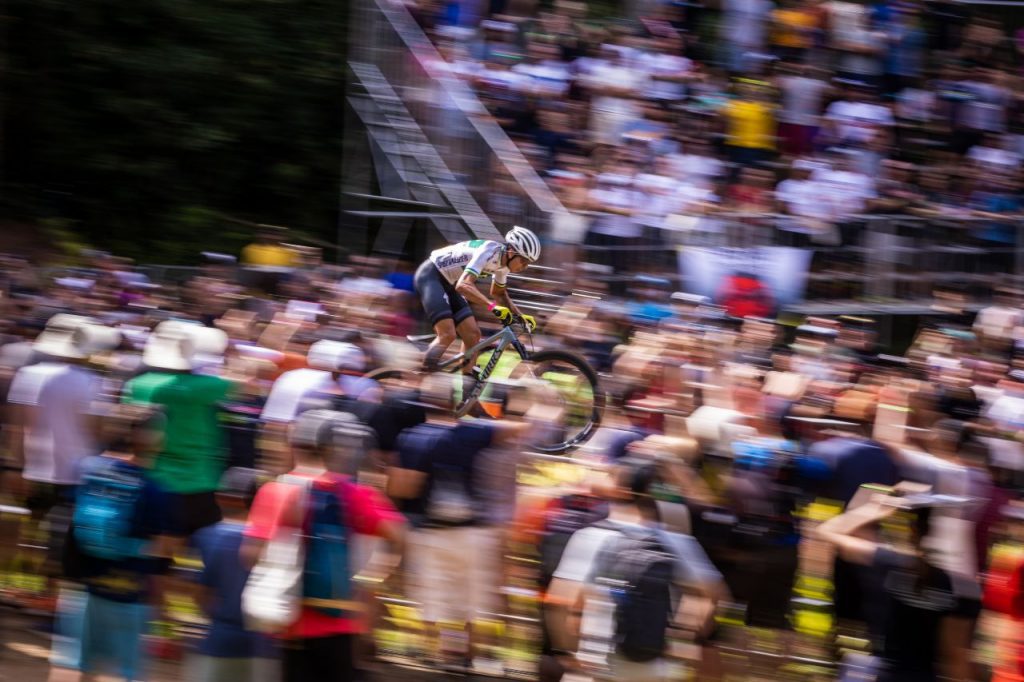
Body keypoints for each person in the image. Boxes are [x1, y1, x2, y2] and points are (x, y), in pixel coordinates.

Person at [243, 410, 406, 682]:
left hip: (289, 623)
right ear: (334, 448)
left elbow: (250, 554)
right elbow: (398, 536)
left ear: (294, 445)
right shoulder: (354, 493)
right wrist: (367, 581)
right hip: (343, 622)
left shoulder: (275, 491)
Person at [51, 404, 177, 682]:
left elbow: (71, 524)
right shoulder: (155, 490)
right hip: (128, 595)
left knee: (73, 666)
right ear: (155, 440)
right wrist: (160, 606)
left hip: (82, 589)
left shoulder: (89, 470)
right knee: (123, 672)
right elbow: (161, 555)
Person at [815, 488, 981, 682]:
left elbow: (827, 531)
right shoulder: (960, 589)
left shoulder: (887, 564)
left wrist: (877, 508)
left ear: (912, 530)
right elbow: (955, 659)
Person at [122, 321, 234, 539]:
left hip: (153, 481)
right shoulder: (207, 387)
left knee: (155, 547)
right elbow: (249, 384)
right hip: (198, 482)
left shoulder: (138, 385)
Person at [189, 467, 277, 682]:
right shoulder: (271, 541)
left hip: (220, 639)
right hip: (263, 645)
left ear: (220, 498)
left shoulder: (207, 536)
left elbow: (199, 594)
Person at [413, 226, 540, 373]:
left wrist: (520, 316)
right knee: (447, 334)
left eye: (528, 263)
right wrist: (492, 307)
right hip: (431, 275)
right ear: (512, 252)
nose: (525, 266)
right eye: (524, 261)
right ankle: (420, 381)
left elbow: (498, 293)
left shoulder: (504, 265)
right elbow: (463, 285)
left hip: (450, 283)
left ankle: (467, 390)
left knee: (473, 335)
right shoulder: (488, 251)